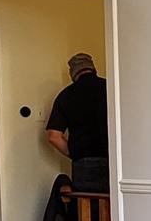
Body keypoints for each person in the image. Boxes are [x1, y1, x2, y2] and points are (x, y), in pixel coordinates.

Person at [46, 52, 110, 192]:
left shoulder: (65, 95)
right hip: (114, 159)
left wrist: (75, 153)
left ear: (73, 74)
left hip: (84, 163)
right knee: (117, 209)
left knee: (85, 208)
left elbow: (53, 136)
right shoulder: (112, 89)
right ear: (93, 69)